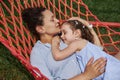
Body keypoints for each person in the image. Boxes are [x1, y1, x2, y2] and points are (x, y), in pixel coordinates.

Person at [21, 7, 107, 80]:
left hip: (103, 71)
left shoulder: (67, 37)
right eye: (52, 20)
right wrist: (86, 76)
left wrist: (88, 26)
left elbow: (97, 49)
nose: (58, 20)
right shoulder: (38, 53)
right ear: (41, 29)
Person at [51, 18, 120, 80]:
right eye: (61, 33)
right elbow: (100, 48)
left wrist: (54, 43)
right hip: (112, 69)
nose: (61, 36)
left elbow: (58, 56)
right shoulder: (84, 44)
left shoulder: (76, 43)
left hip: (109, 72)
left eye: (64, 32)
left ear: (77, 33)